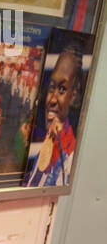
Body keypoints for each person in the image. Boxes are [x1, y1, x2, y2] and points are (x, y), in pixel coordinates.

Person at [26, 44, 81, 187]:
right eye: (52, 87)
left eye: (62, 89)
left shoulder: (70, 156)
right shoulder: (47, 141)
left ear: (73, 96)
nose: (52, 99)